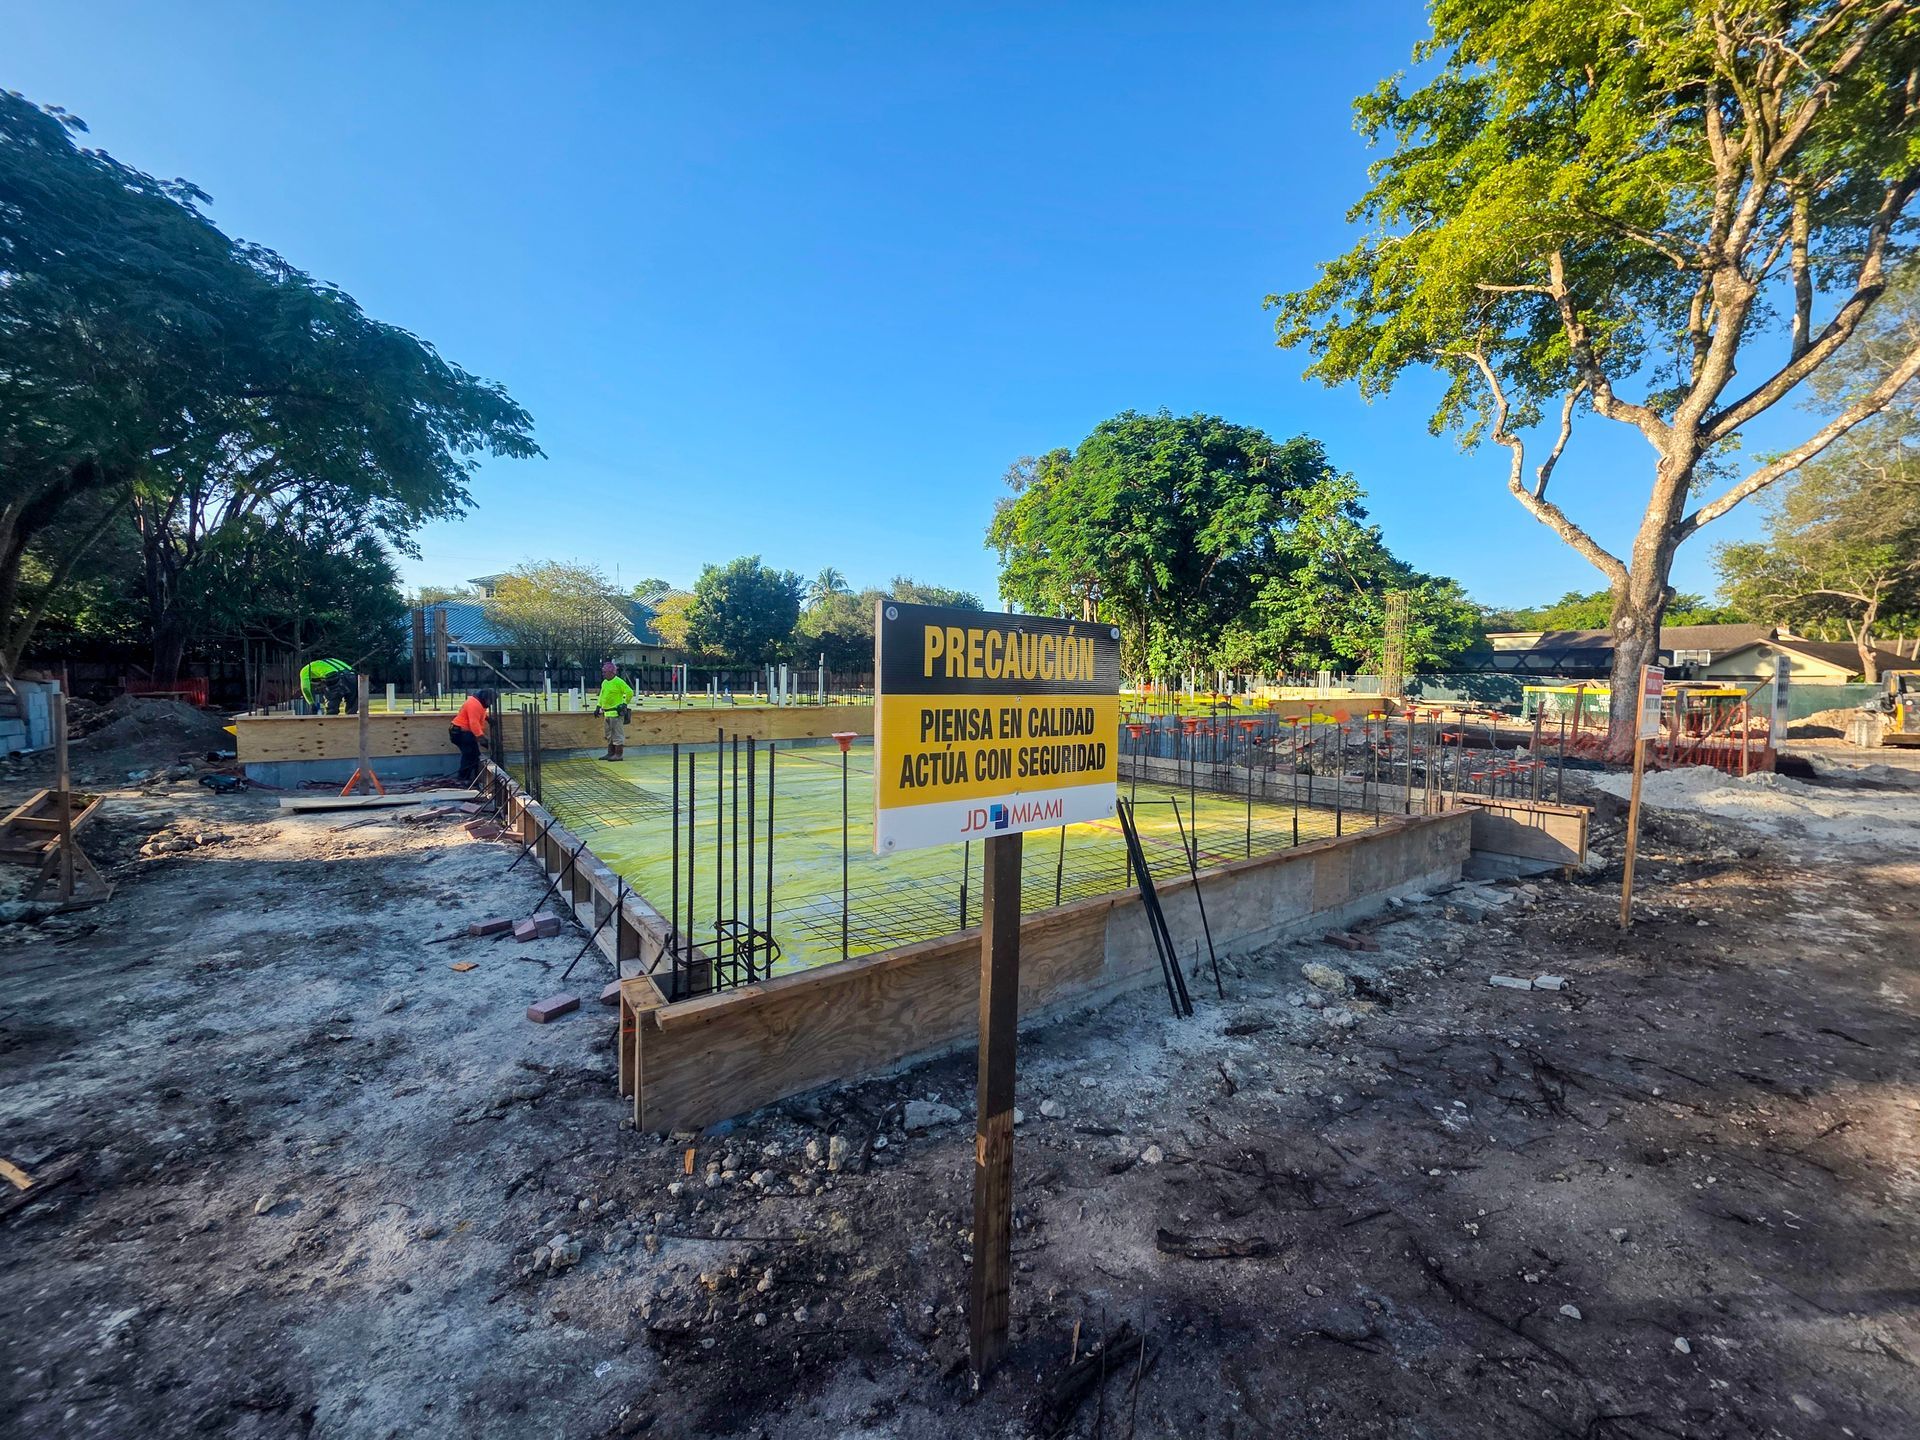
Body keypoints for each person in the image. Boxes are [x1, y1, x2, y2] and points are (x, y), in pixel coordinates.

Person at [450, 688, 496, 787]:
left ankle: (468, 779)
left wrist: (487, 718)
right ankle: (462, 779)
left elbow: (479, 713)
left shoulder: (477, 702)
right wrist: (481, 738)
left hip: (461, 732)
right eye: (491, 701)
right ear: (485, 698)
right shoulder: (474, 704)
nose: (491, 704)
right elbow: (474, 723)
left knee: (473, 755)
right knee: (469, 755)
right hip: (461, 733)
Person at [597, 661, 635, 761]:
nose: (603, 674)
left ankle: (618, 754)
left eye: (605, 672)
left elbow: (629, 692)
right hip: (607, 713)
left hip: (616, 714)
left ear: (611, 672)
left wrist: (624, 703)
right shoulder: (605, 683)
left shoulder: (618, 682)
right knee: (609, 735)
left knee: (617, 735)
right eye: (603, 672)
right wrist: (598, 706)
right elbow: (602, 695)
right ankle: (610, 753)